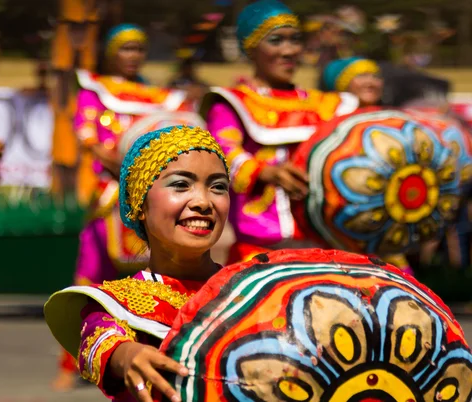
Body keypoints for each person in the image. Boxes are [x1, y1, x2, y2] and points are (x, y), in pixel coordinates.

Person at [45, 125, 230, 402]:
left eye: (218, 187)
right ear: (139, 204)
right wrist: (128, 355)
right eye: (181, 184)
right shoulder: (113, 304)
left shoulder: (251, 286)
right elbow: (101, 343)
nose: (203, 202)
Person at [51, 22, 189, 391]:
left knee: (159, 276)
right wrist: (128, 167)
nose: (133, 56)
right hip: (109, 195)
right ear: (112, 52)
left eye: (138, 49)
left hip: (152, 197)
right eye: (126, 48)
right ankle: (74, 362)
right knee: (90, 275)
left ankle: (160, 352)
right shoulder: (95, 90)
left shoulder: (160, 96)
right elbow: (91, 141)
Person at [202, 0, 358, 263]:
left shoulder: (327, 105)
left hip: (326, 247)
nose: (288, 51)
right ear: (251, 48)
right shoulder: (233, 102)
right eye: (276, 41)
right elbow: (222, 153)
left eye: (294, 40)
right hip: (260, 251)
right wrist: (265, 171)